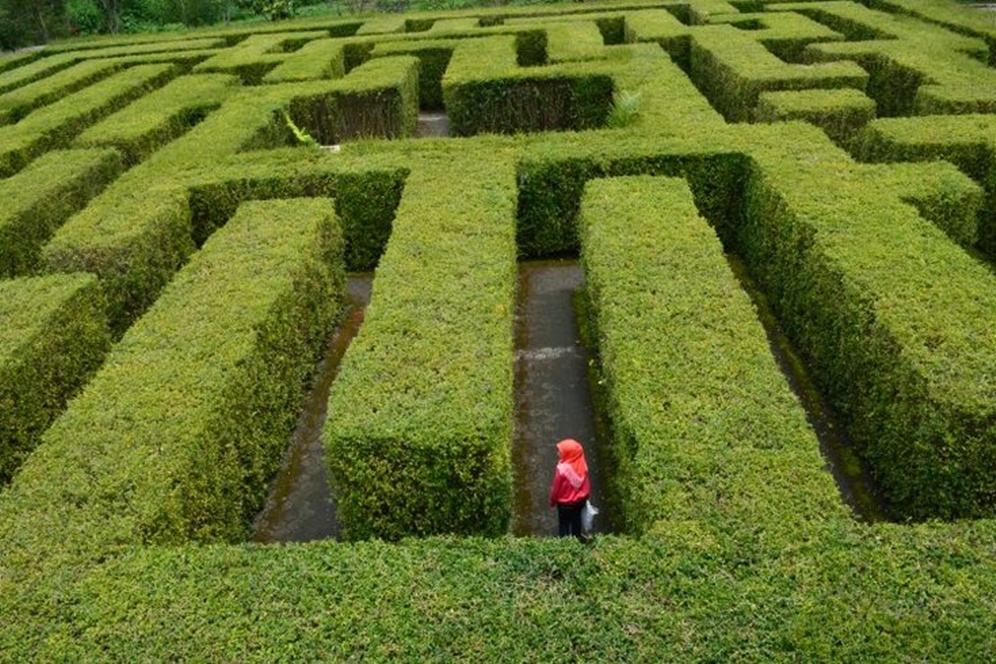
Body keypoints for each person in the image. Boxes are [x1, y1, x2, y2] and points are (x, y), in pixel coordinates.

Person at [549, 438, 591, 540]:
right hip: (580, 501)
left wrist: (552, 501)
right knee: (576, 520)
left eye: (560, 451)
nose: (558, 453)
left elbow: (556, 488)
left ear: (568, 454)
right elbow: (586, 484)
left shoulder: (562, 470)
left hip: (565, 504)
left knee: (564, 523)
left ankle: (564, 543)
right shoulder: (582, 465)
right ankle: (577, 538)